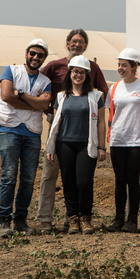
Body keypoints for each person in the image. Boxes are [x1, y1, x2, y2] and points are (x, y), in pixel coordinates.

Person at [36, 29, 110, 232]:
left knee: (84, 181)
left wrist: (102, 145)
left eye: (82, 72)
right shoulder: (58, 86)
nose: (78, 74)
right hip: (63, 139)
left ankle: (84, 218)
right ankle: (63, 219)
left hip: (87, 141)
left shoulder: (95, 90)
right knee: (61, 180)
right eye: (75, 71)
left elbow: (102, 118)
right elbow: (38, 85)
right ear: (67, 43)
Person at [0, 39, 52, 238]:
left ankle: (21, 221)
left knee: (28, 179)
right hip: (9, 129)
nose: (35, 57)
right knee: (9, 176)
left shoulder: (46, 81)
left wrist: (22, 95)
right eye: (32, 53)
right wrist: (34, 102)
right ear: (26, 53)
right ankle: (4, 221)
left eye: (40, 55)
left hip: (32, 133)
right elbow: (7, 95)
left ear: (44, 58)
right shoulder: (11, 71)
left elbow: (44, 106)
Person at [106, 48, 140, 233]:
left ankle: (132, 220)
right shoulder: (114, 88)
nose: (120, 68)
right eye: (119, 64)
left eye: (124, 65)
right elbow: (111, 113)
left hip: (138, 139)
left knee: (133, 179)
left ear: (134, 67)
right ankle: (118, 219)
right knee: (119, 180)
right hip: (118, 139)